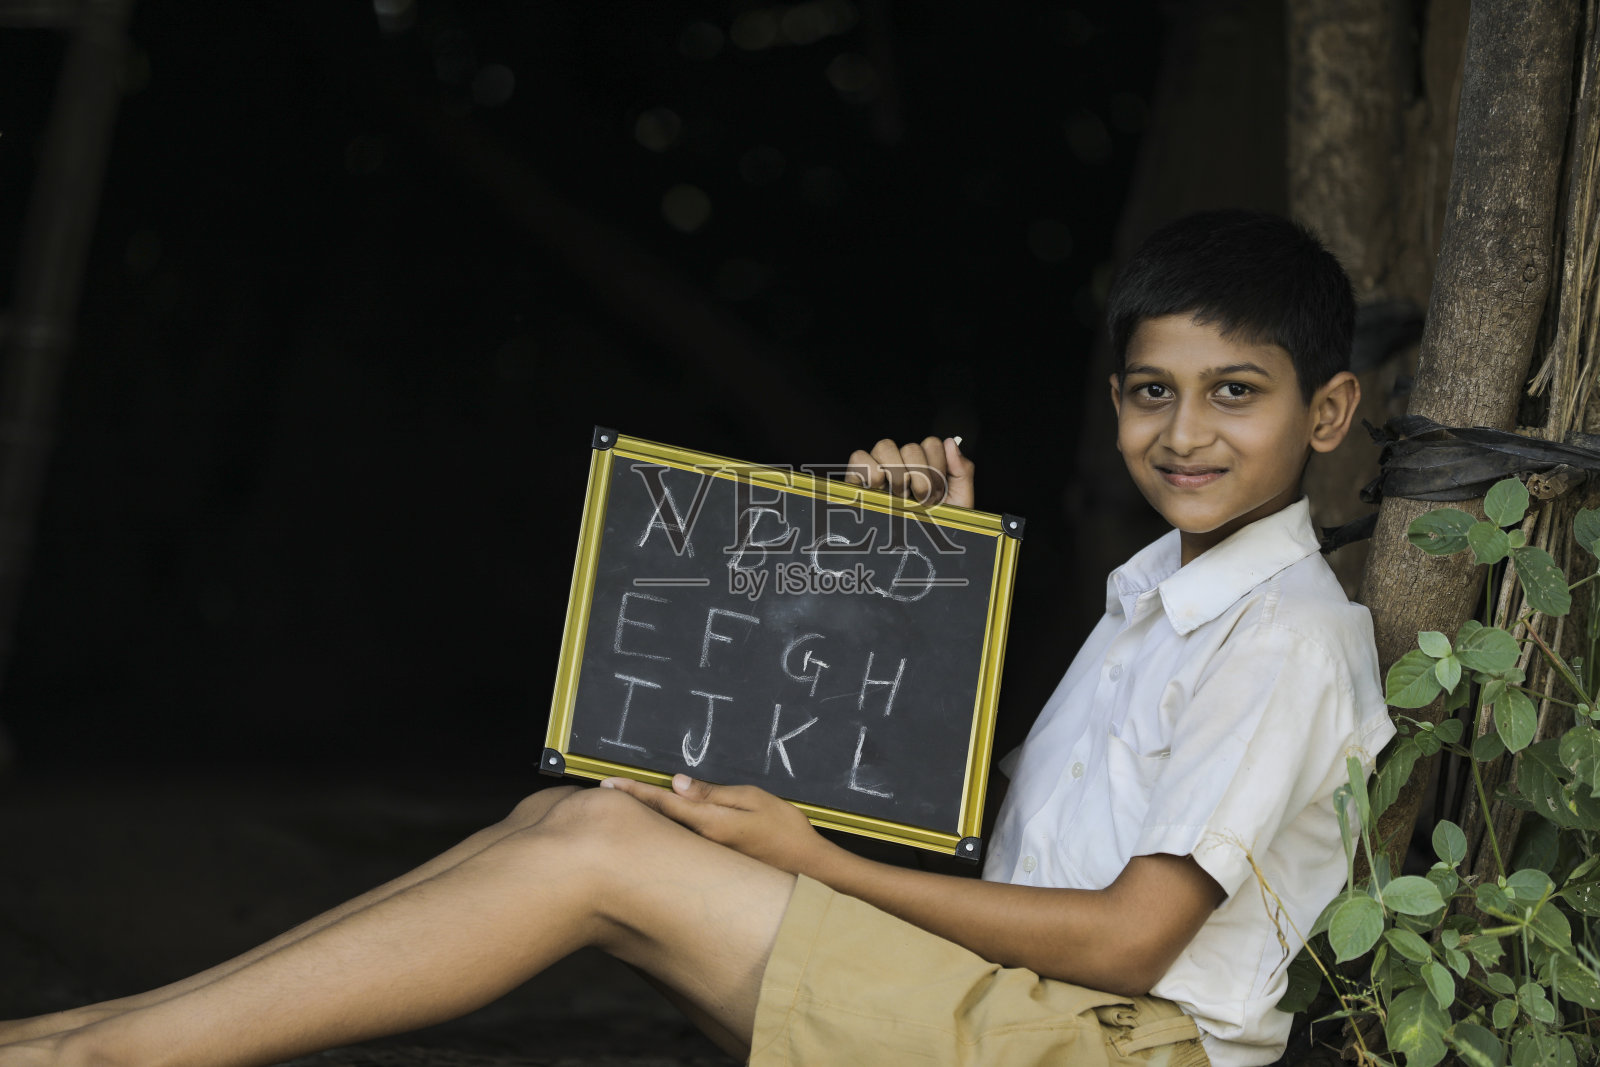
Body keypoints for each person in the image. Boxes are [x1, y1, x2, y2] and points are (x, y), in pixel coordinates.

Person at [0, 209, 1392, 1067]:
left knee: (605, 851)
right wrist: (931, 580)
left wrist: (812, 860)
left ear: (1325, 417)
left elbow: (1127, 944)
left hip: (1097, 1049)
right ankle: (83, 1041)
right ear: (1114, 398)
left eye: (1236, 394)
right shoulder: (1159, 593)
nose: (1185, 432)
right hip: (1017, 1012)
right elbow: (993, 834)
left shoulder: (1284, 639)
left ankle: (104, 1054)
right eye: (1153, 391)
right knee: (585, 816)